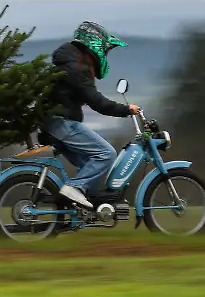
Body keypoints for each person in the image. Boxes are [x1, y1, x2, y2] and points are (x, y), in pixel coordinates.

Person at [43, 20, 140, 209]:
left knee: (90, 162)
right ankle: (75, 188)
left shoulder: (71, 63)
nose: (105, 54)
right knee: (106, 154)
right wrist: (126, 110)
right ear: (94, 44)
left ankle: (86, 203)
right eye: (105, 50)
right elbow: (97, 102)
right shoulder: (77, 69)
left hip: (55, 122)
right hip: (62, 123)